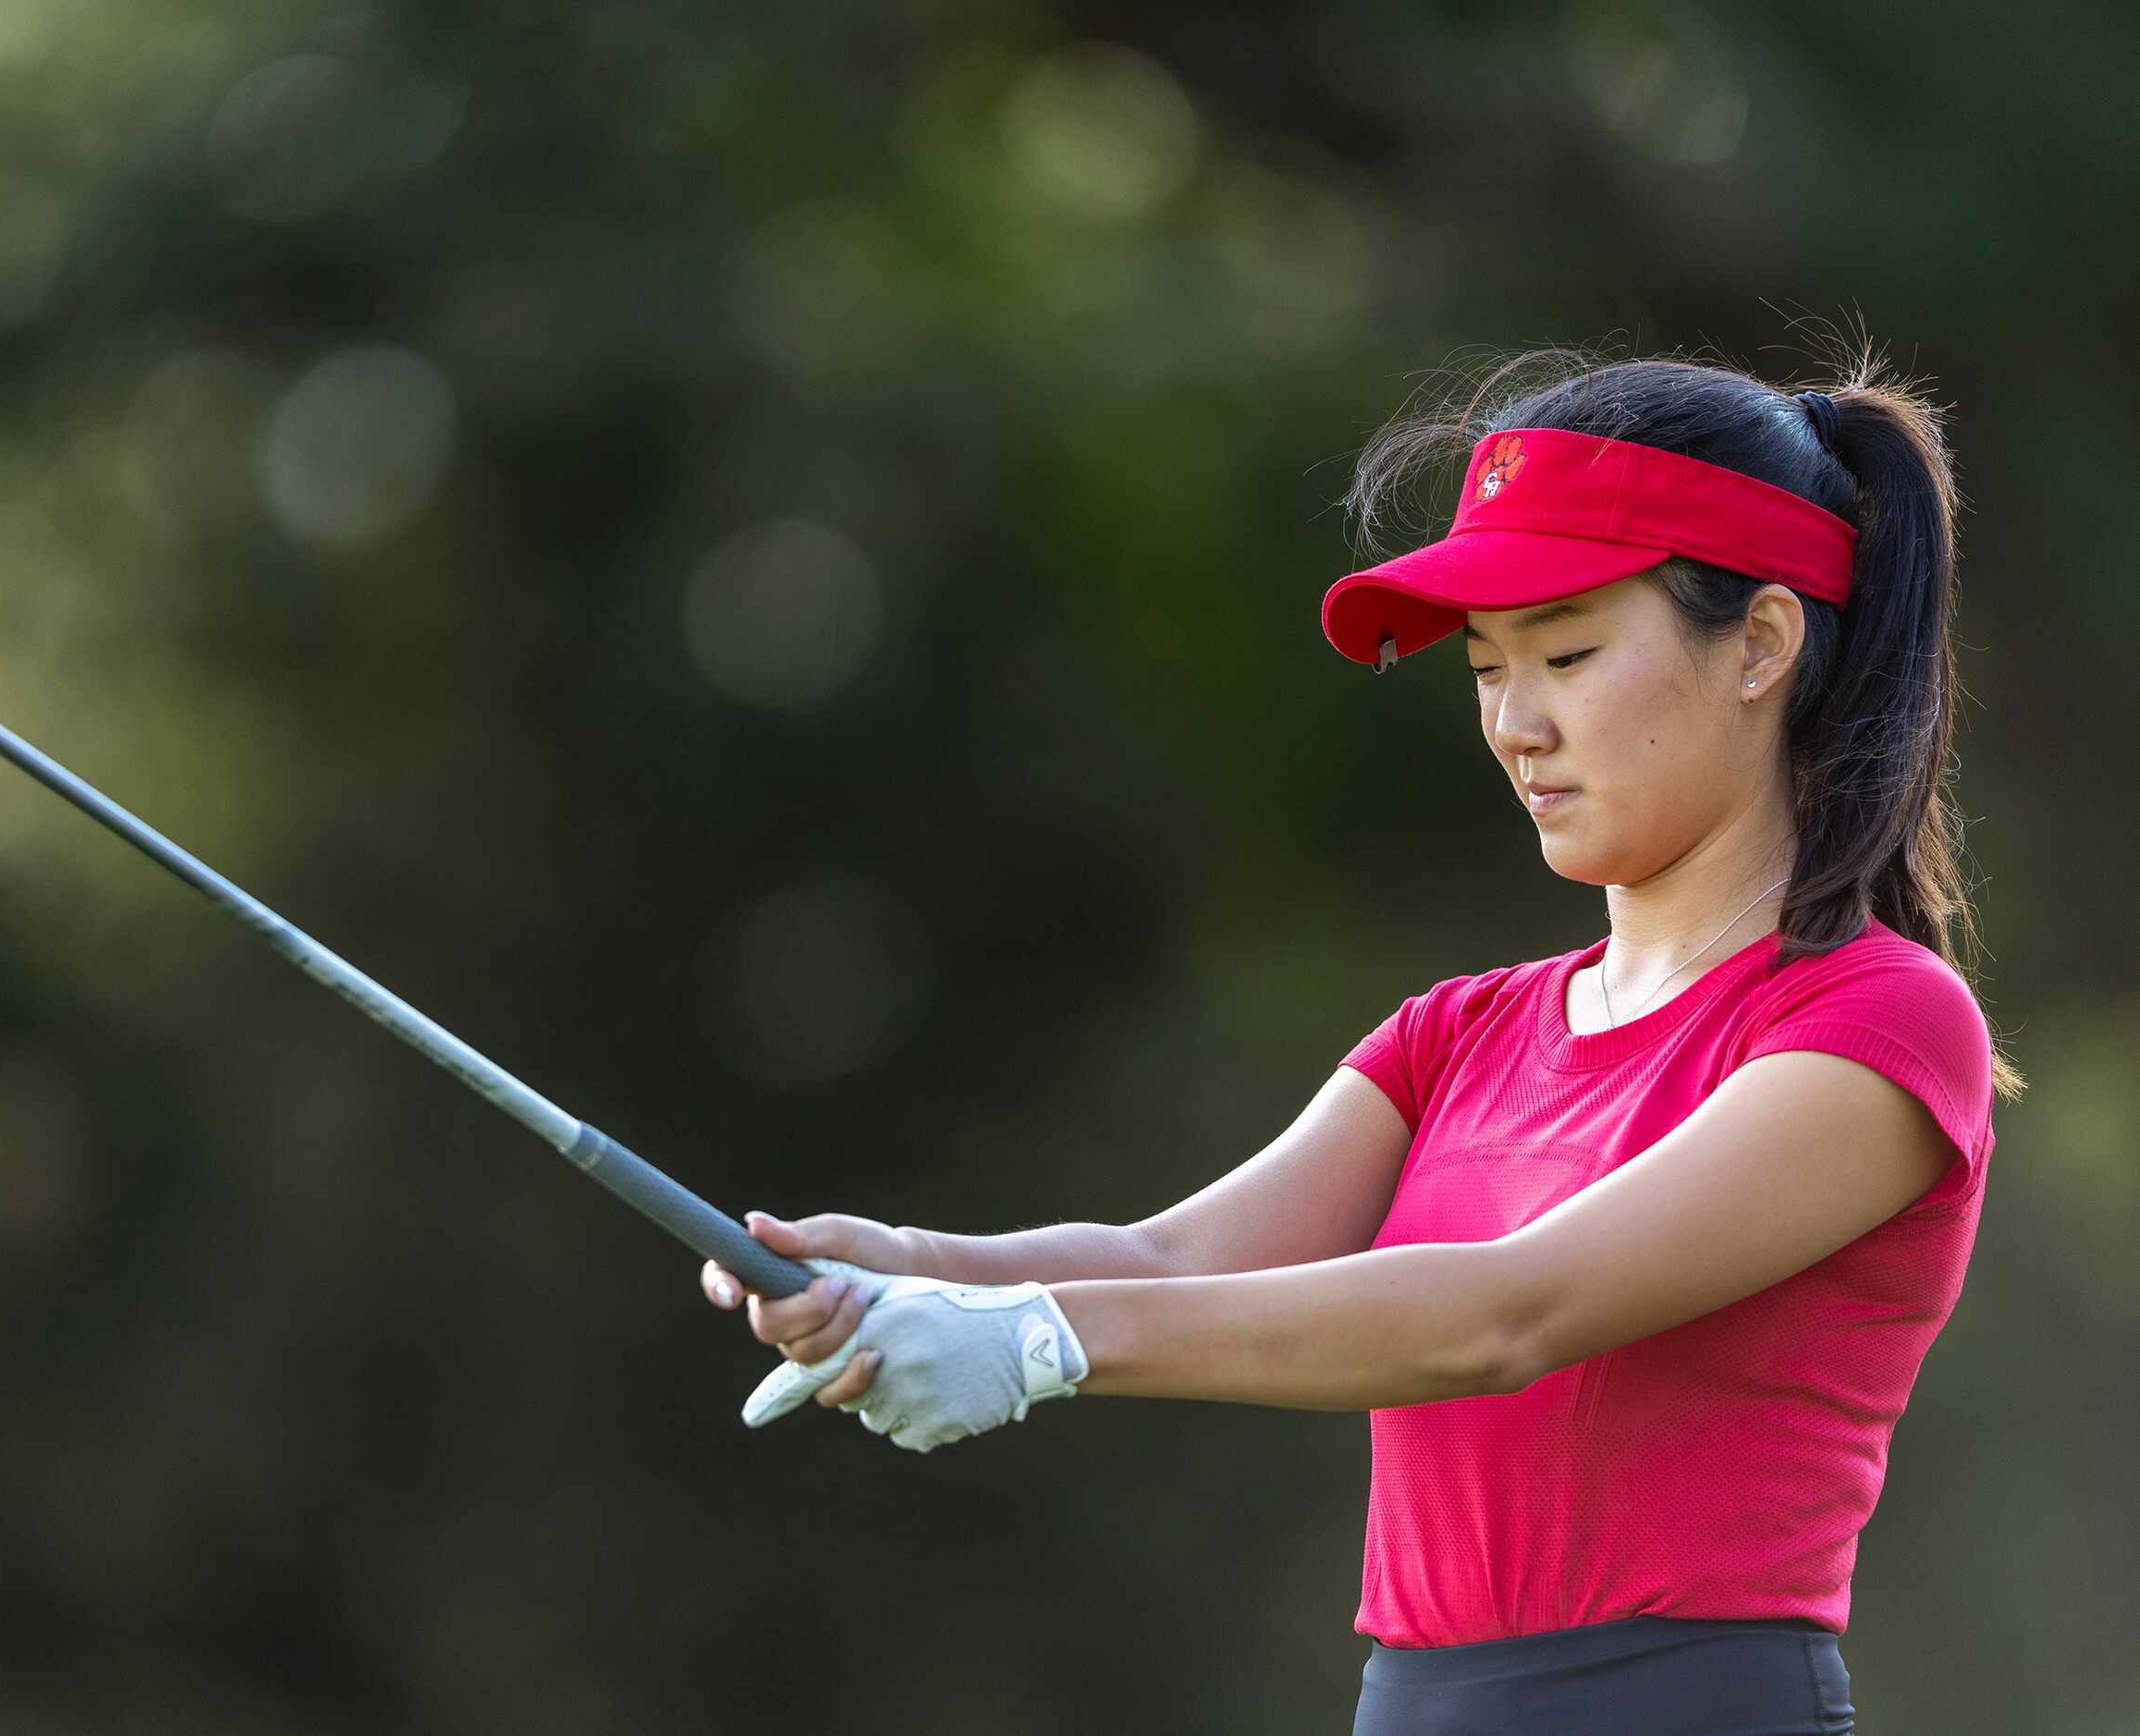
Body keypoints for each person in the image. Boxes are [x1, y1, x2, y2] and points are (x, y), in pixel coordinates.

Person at [697, 348, 2018, 1734]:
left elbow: (1508, 1312)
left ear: (1757, 643)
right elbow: (1175, 1255)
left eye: (1566, 653)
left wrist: (1029, 1340)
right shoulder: (1456, 1033)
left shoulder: (1878, 1020)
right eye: (1485, 668)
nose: (1516, 725)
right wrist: (909, 1267)